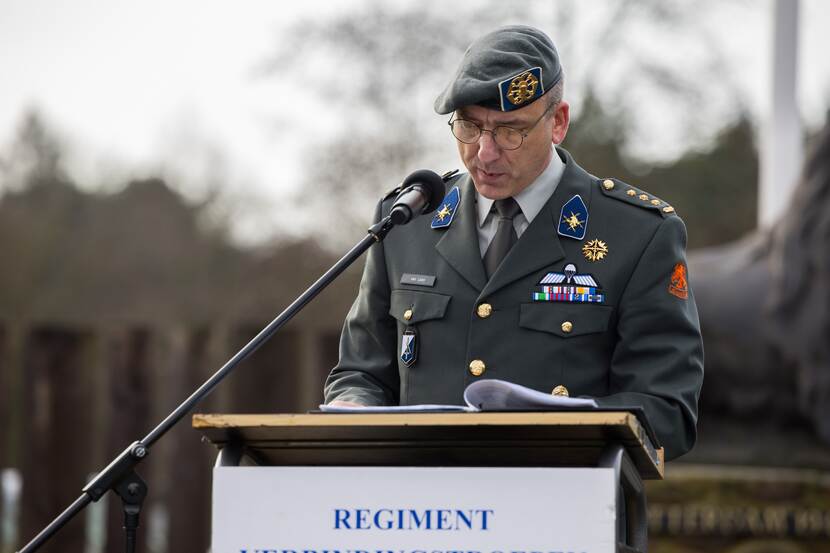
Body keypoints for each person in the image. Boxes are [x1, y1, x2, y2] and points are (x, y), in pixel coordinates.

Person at [324, 25, 703, 460]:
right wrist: (352, 404)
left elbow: (667, 409)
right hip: (420, 510)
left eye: (510, 131)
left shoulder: (638, 233)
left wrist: (548, 433)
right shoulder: (408, 221)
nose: (484, 152)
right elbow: (361, 372)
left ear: (558, 122)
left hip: (560, 507)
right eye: (469, 126)